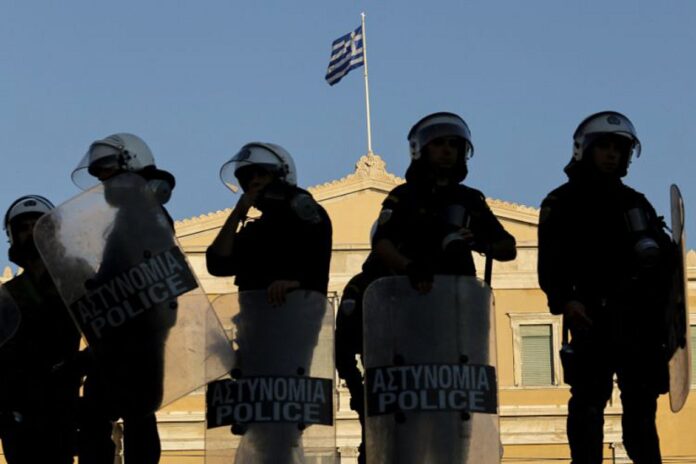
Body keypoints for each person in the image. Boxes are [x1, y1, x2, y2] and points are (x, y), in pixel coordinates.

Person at [341, 112, 516, 463]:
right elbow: (382, 244)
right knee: (405, 436)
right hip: (407, 326)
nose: (447, 151)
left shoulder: (470, 200)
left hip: (456, 325)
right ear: (421, 150)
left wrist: (476, 239)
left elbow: (507, 246)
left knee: (452, 435)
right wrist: (410, 268)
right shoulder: (403, 197)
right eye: (439, 144)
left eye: (454, 145)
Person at [538, 111, 674, 464]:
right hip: (591, 318)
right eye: (605, 147)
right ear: (586, 149)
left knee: (642, 412)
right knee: (588, 405)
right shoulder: (561, 202)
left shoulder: (636, 202)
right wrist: (566, 300)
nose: (612, 155)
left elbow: (663, 265)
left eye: (619, 149)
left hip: (639, 323)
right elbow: (551, 263)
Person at [206, 142, 332, 464]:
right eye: (247, 179)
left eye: (260, 176)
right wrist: (239, 211)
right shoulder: (255, 230)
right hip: (254, 335)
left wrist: (295, 283)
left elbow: (317, 263)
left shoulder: (307, 212)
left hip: (290, 334)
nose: (253, 183)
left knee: (281, 424)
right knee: (258, 427)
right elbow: (217, 262)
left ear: (280, 176)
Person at [71, 133, 177, 464]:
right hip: (120, 335)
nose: (103, 182)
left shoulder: (145, 216)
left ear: (131, 166)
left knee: (130, 416)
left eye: (108, 172)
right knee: (109, 415)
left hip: (134, 339)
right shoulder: (130, 218)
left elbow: (147, 278)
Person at [0, 195, 82, 464]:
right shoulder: (8, 295)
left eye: (38, 225)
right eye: (23, 228)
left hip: (64, 405)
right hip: (20, 412)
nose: (31, 232)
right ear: (13, 237)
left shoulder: (77, 280)